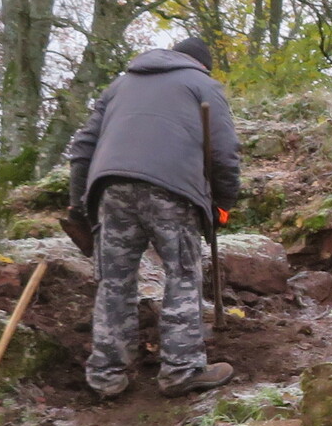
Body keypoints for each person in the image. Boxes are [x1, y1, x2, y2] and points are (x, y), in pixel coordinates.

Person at [64, 34, 241, 398]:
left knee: (114, 281)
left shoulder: (119, 86)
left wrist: (79, 206)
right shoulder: (203, 85)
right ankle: (181, 370)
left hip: (111, 187)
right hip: (173, 190)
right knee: (182, 274)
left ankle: (106, 375)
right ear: (203, 65)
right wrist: (223, 203)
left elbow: (82, 148)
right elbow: (224, 153)